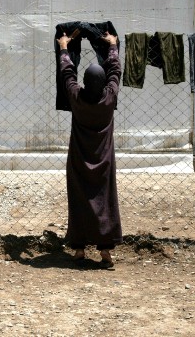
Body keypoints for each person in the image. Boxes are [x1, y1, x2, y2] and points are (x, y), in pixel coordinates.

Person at [56, 31, 123, 269]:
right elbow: (115, 70)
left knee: (79, 199)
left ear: (85, 81)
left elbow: (67, 73)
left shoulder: (77, 98)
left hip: (79, 159)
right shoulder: (109, 98)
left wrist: (65, 47)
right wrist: (113, 46)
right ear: (103, 82)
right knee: (104, 201)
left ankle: (79, 249)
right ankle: (105, 251)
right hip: (103, 161)